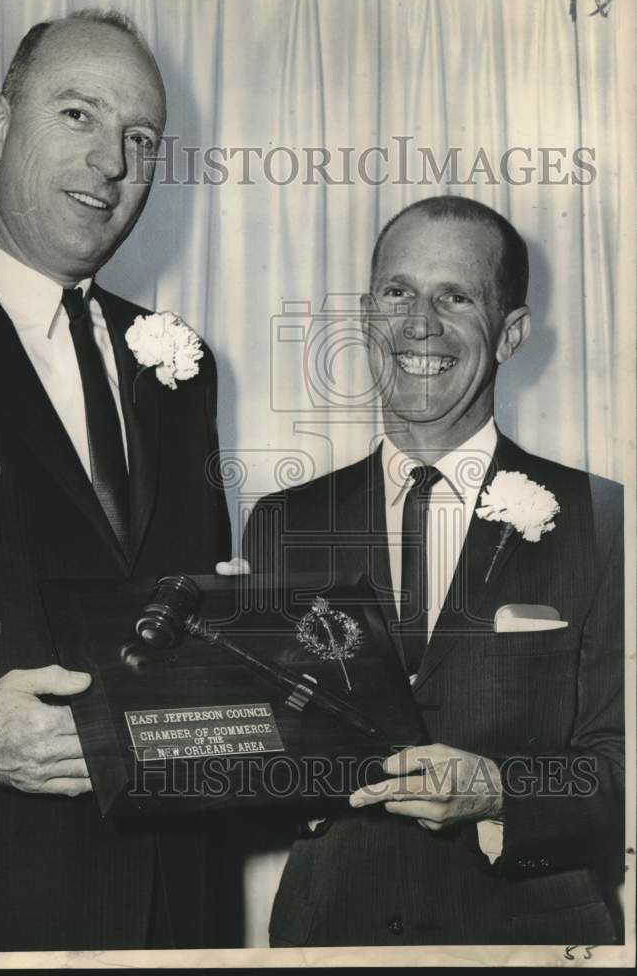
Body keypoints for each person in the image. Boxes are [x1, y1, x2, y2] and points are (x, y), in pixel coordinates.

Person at [0, 10, 232, 952]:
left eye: (139, 138)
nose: (111, 162)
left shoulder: (183, 362)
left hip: (179, 909)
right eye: (78, 114)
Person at [242, 196, 624, 946]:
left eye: (456, 295)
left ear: (511, 332)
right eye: (398, 292)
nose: (420, 323)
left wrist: (498, 793)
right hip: (331, 936)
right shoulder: (283, 523)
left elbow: (624, 765)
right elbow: (253, 761)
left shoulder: (604, 519)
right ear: (364, 315)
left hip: (530, 941)